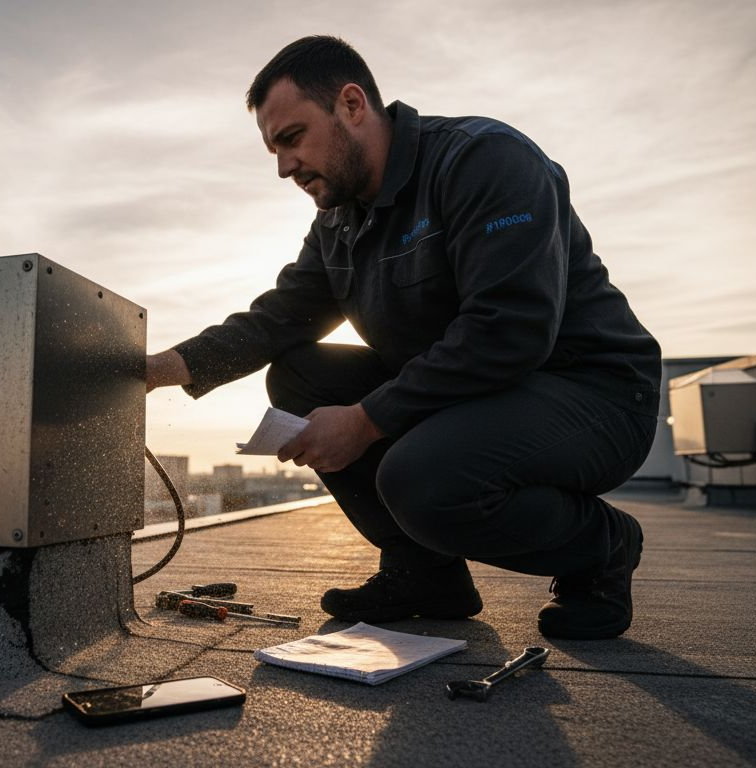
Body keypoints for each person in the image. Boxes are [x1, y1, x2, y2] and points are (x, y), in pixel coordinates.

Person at [146, 36, 662, 640]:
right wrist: (152, 371)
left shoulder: (483, 160)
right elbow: (278, 318)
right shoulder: (338, 222)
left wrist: (366, 419)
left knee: (421, 481)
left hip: (591, 392)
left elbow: (509, 329)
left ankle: (601, 546)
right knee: (298, 373)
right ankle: (426, 574)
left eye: (292, 138)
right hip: (477, 397)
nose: (284, 167)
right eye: (273, 149)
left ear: (352, 104)